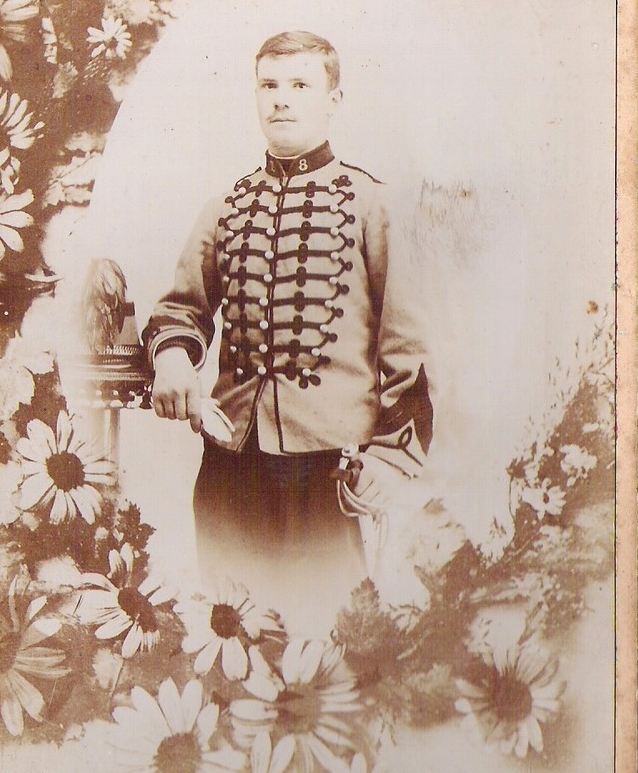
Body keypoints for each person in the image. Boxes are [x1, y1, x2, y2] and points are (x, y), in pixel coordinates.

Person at [142, 31, 433, 632]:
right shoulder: (227, 205)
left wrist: (389, 456)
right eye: (269, 85)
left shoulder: (371, 205)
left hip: (330, 470)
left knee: (325, 644)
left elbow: (411, 350)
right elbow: (180, 311)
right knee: (227, 634)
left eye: (300, 85)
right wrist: (172, 358)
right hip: (230, 462)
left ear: (333, 98)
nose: (281, 100)